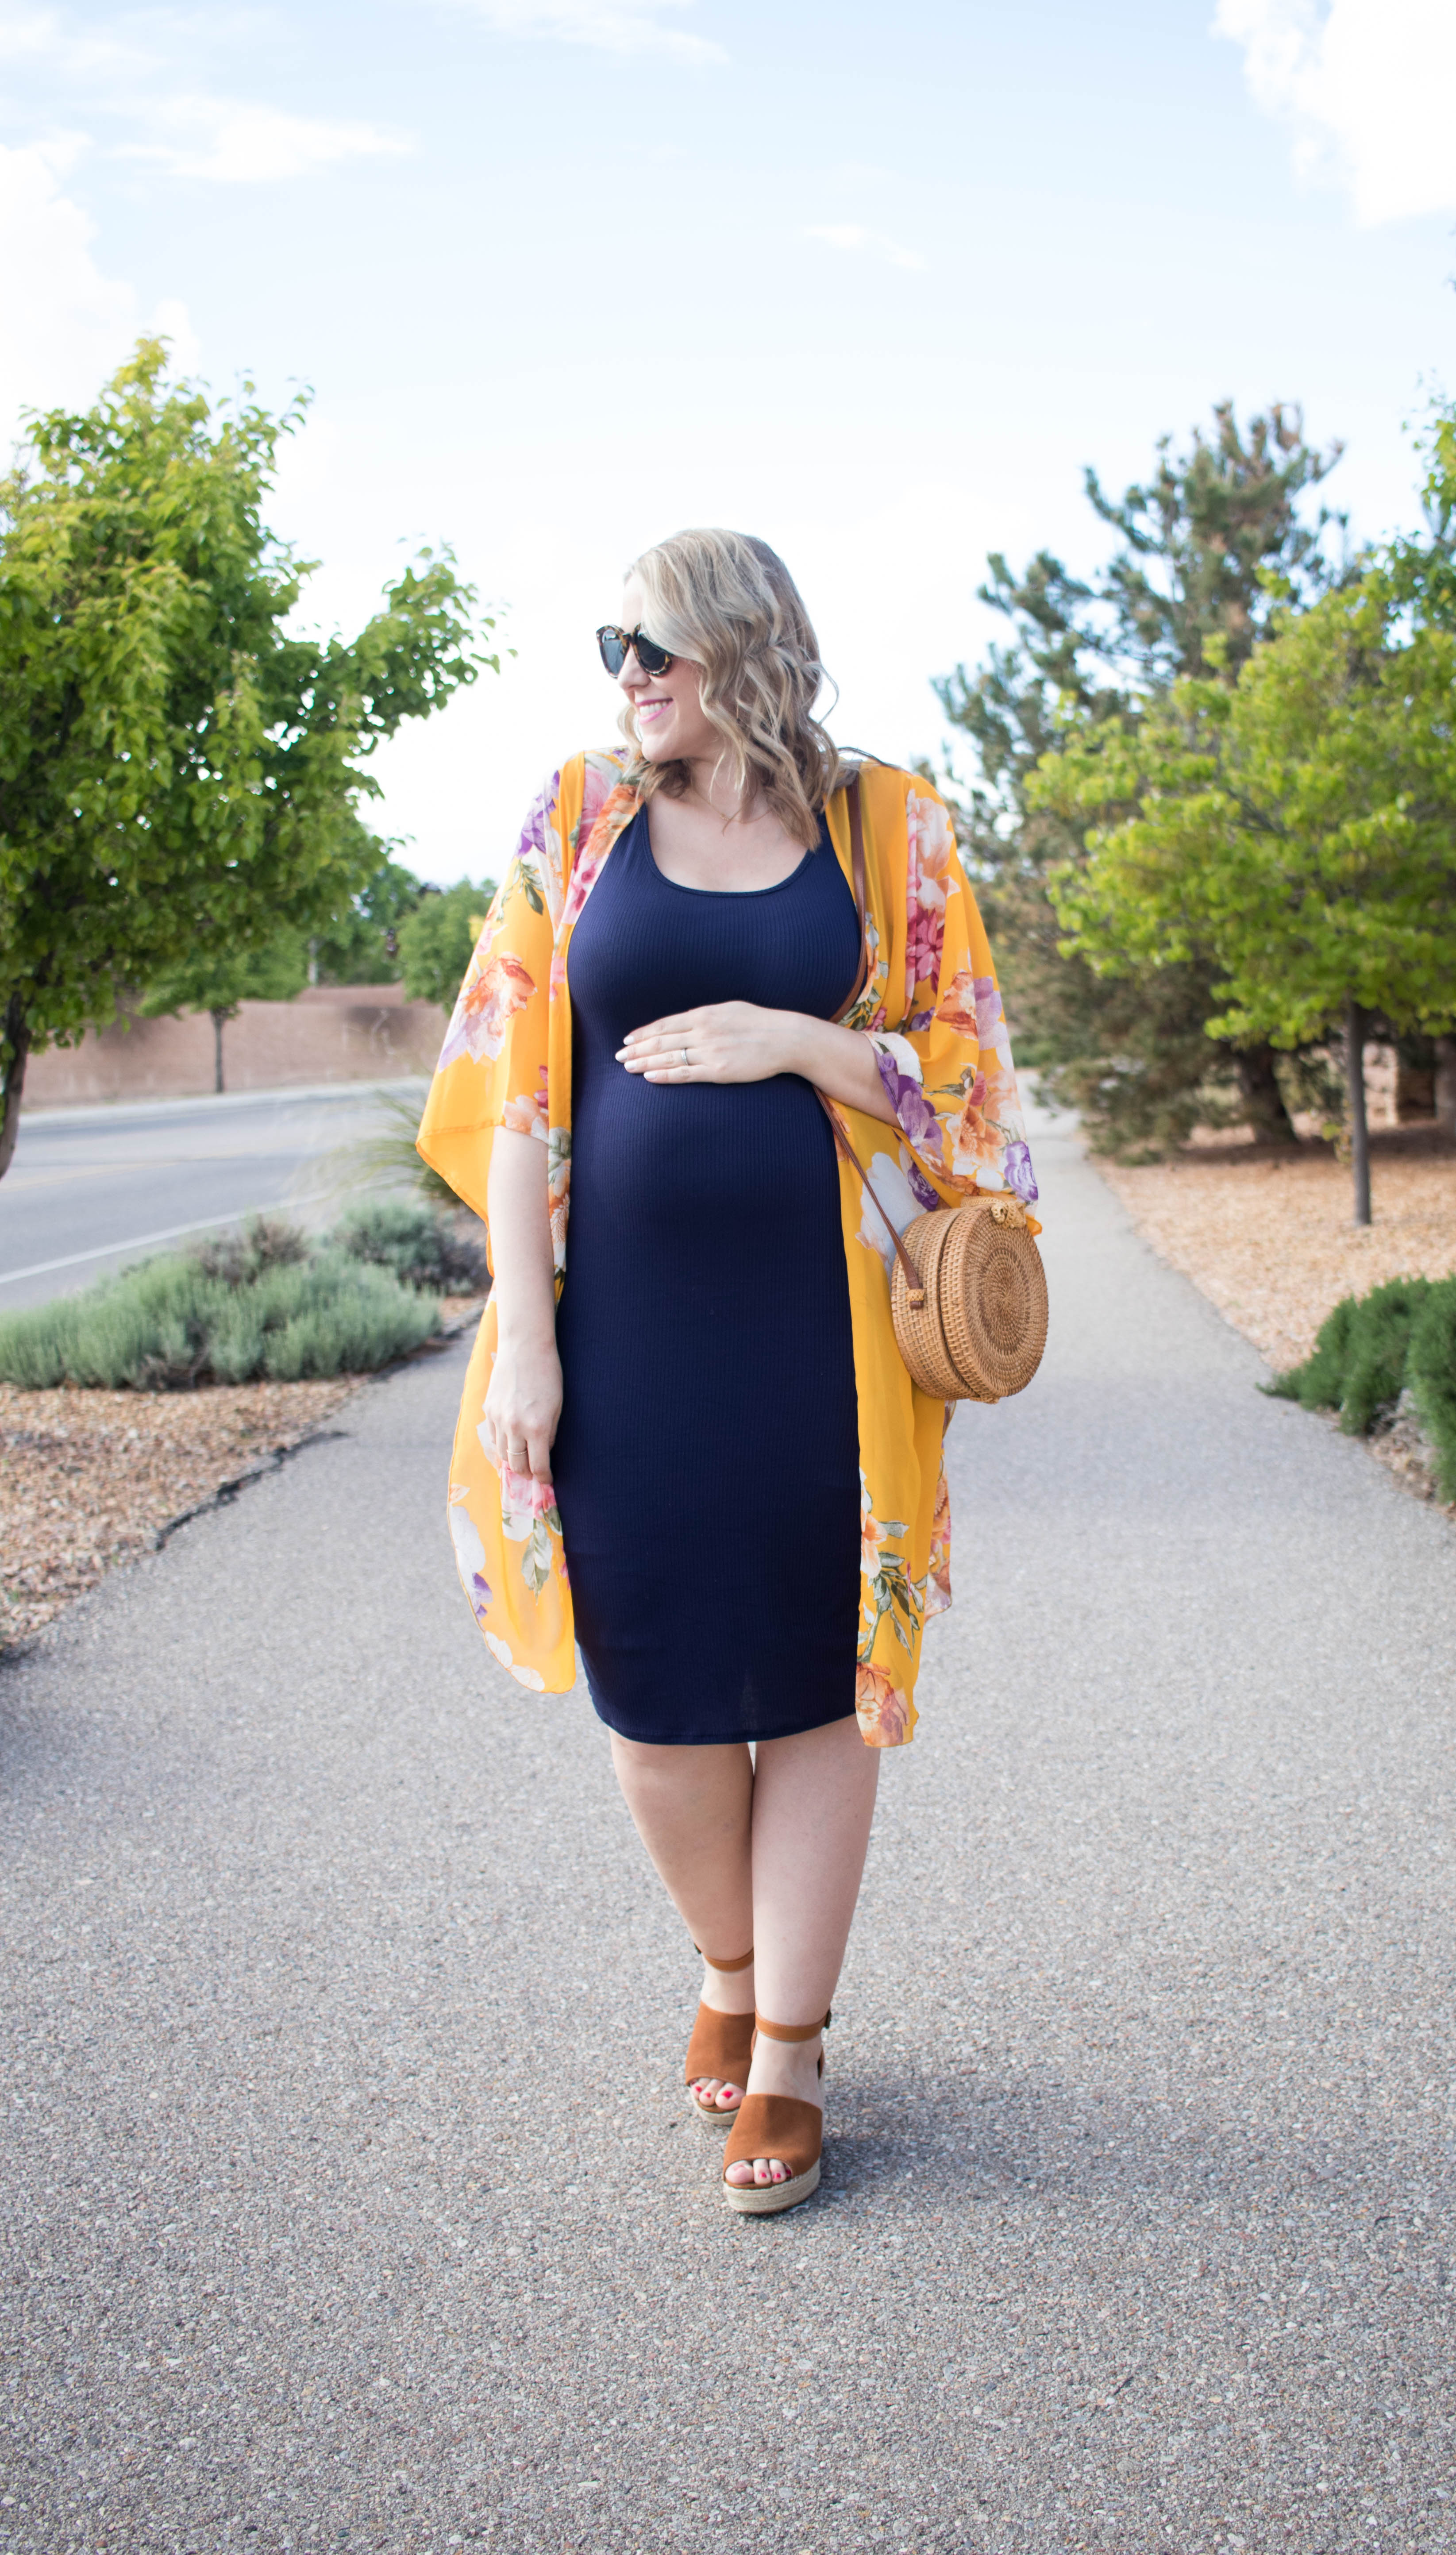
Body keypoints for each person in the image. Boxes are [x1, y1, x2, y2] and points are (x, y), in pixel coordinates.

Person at [416, 529, 1037, 2216]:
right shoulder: (576, 820)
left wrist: (802, 1041)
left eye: (660, 643)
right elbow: (509, 1097)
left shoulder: (883, 825)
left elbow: (973, 1073)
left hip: (824, 1342)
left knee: (821, 1676)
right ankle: (728, 1954)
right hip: (618, 1332)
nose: (628, 670)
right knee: (657, 1703)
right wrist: (528, 1340)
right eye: (613, 640)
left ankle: (791, 2051)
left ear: (749, 649)